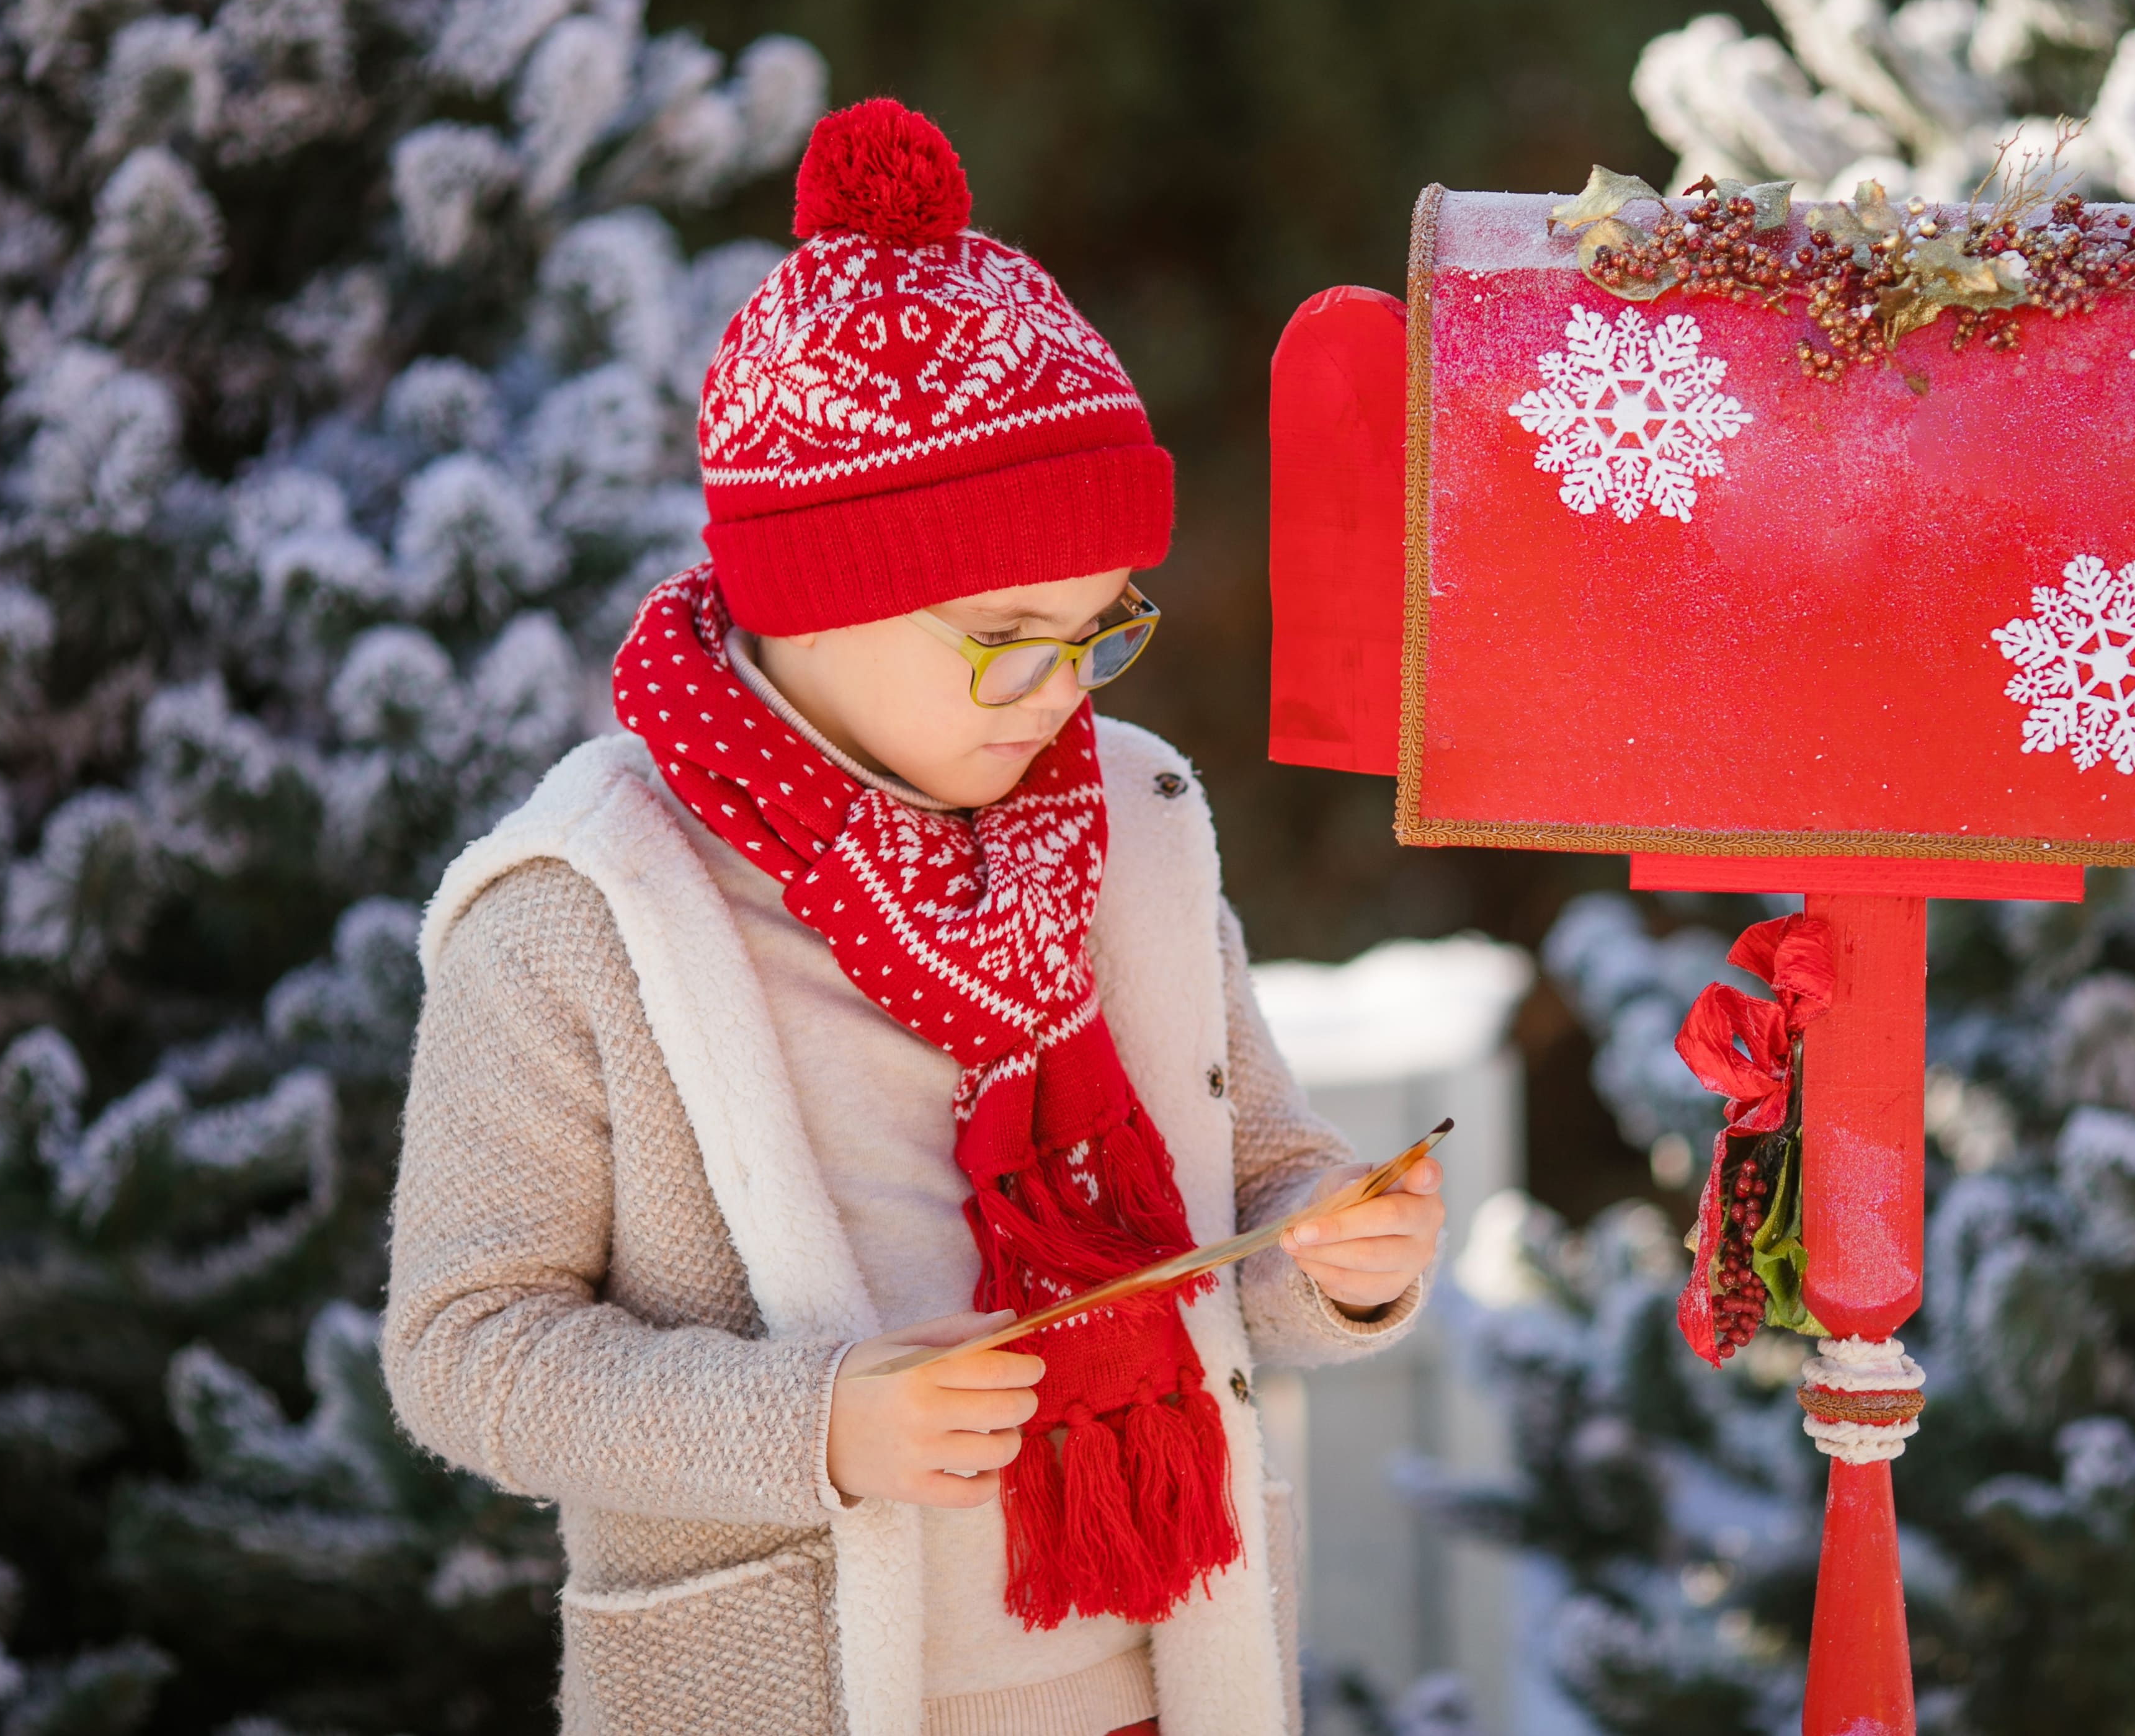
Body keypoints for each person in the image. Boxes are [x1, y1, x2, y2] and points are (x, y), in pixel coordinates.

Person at [380, 98, 1445, 1736]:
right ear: (816, 594)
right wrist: (809, 1425)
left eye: (1098, 630)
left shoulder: (1133, 832)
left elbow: (1247, 1211)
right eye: (1006, 632)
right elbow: (464, 1352)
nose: (1058, 693)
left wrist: (1339, 1251)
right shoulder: (582, 913)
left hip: (1151, 1688)